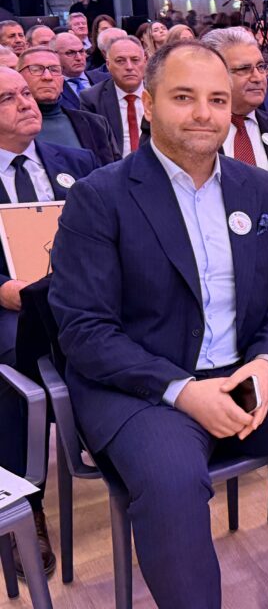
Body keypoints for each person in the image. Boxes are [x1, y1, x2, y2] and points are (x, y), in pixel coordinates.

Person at [48, 39, 268, 608]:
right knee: (173, 480)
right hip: (144, 389)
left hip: (244, 372)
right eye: (184, 97)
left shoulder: (263, 189)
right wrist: (183, 391)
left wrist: (267, 361)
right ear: (149, 103)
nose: (204, 113)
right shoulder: (99, 198)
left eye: (217, 99)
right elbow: (85, 330)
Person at [0, 65, 100, 579]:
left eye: (26, 93)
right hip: (10, 305)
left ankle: (126, 445)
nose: (26, 103)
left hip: (83, 295)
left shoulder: (77, 162)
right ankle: (26, 505)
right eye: (7, 98)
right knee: (13, 363)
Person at [202, 28, 268, 175]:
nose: (258, 78)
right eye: (244, 69)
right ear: (212, 74)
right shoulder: (193, 131)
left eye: (261, 67)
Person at [17, 47, 119, 165]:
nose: (47, 77)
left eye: (54, 70)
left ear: (62, 80)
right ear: (18, 77)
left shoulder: (95, 124)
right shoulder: (9, 129)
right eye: (36, 69)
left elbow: (114, 170)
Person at [78, 36, 148, 160]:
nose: (129, 67)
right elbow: (95, 148)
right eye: (120, 61)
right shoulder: (91, 99)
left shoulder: (160, 93)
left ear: (145, 61)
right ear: (108, 65)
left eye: (135, 60)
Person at [49, 31, 91, 108]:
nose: (79, 58)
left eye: (81, 51)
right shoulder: (51, 88)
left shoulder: (104, 78)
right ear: (54, 55)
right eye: (70, 53)